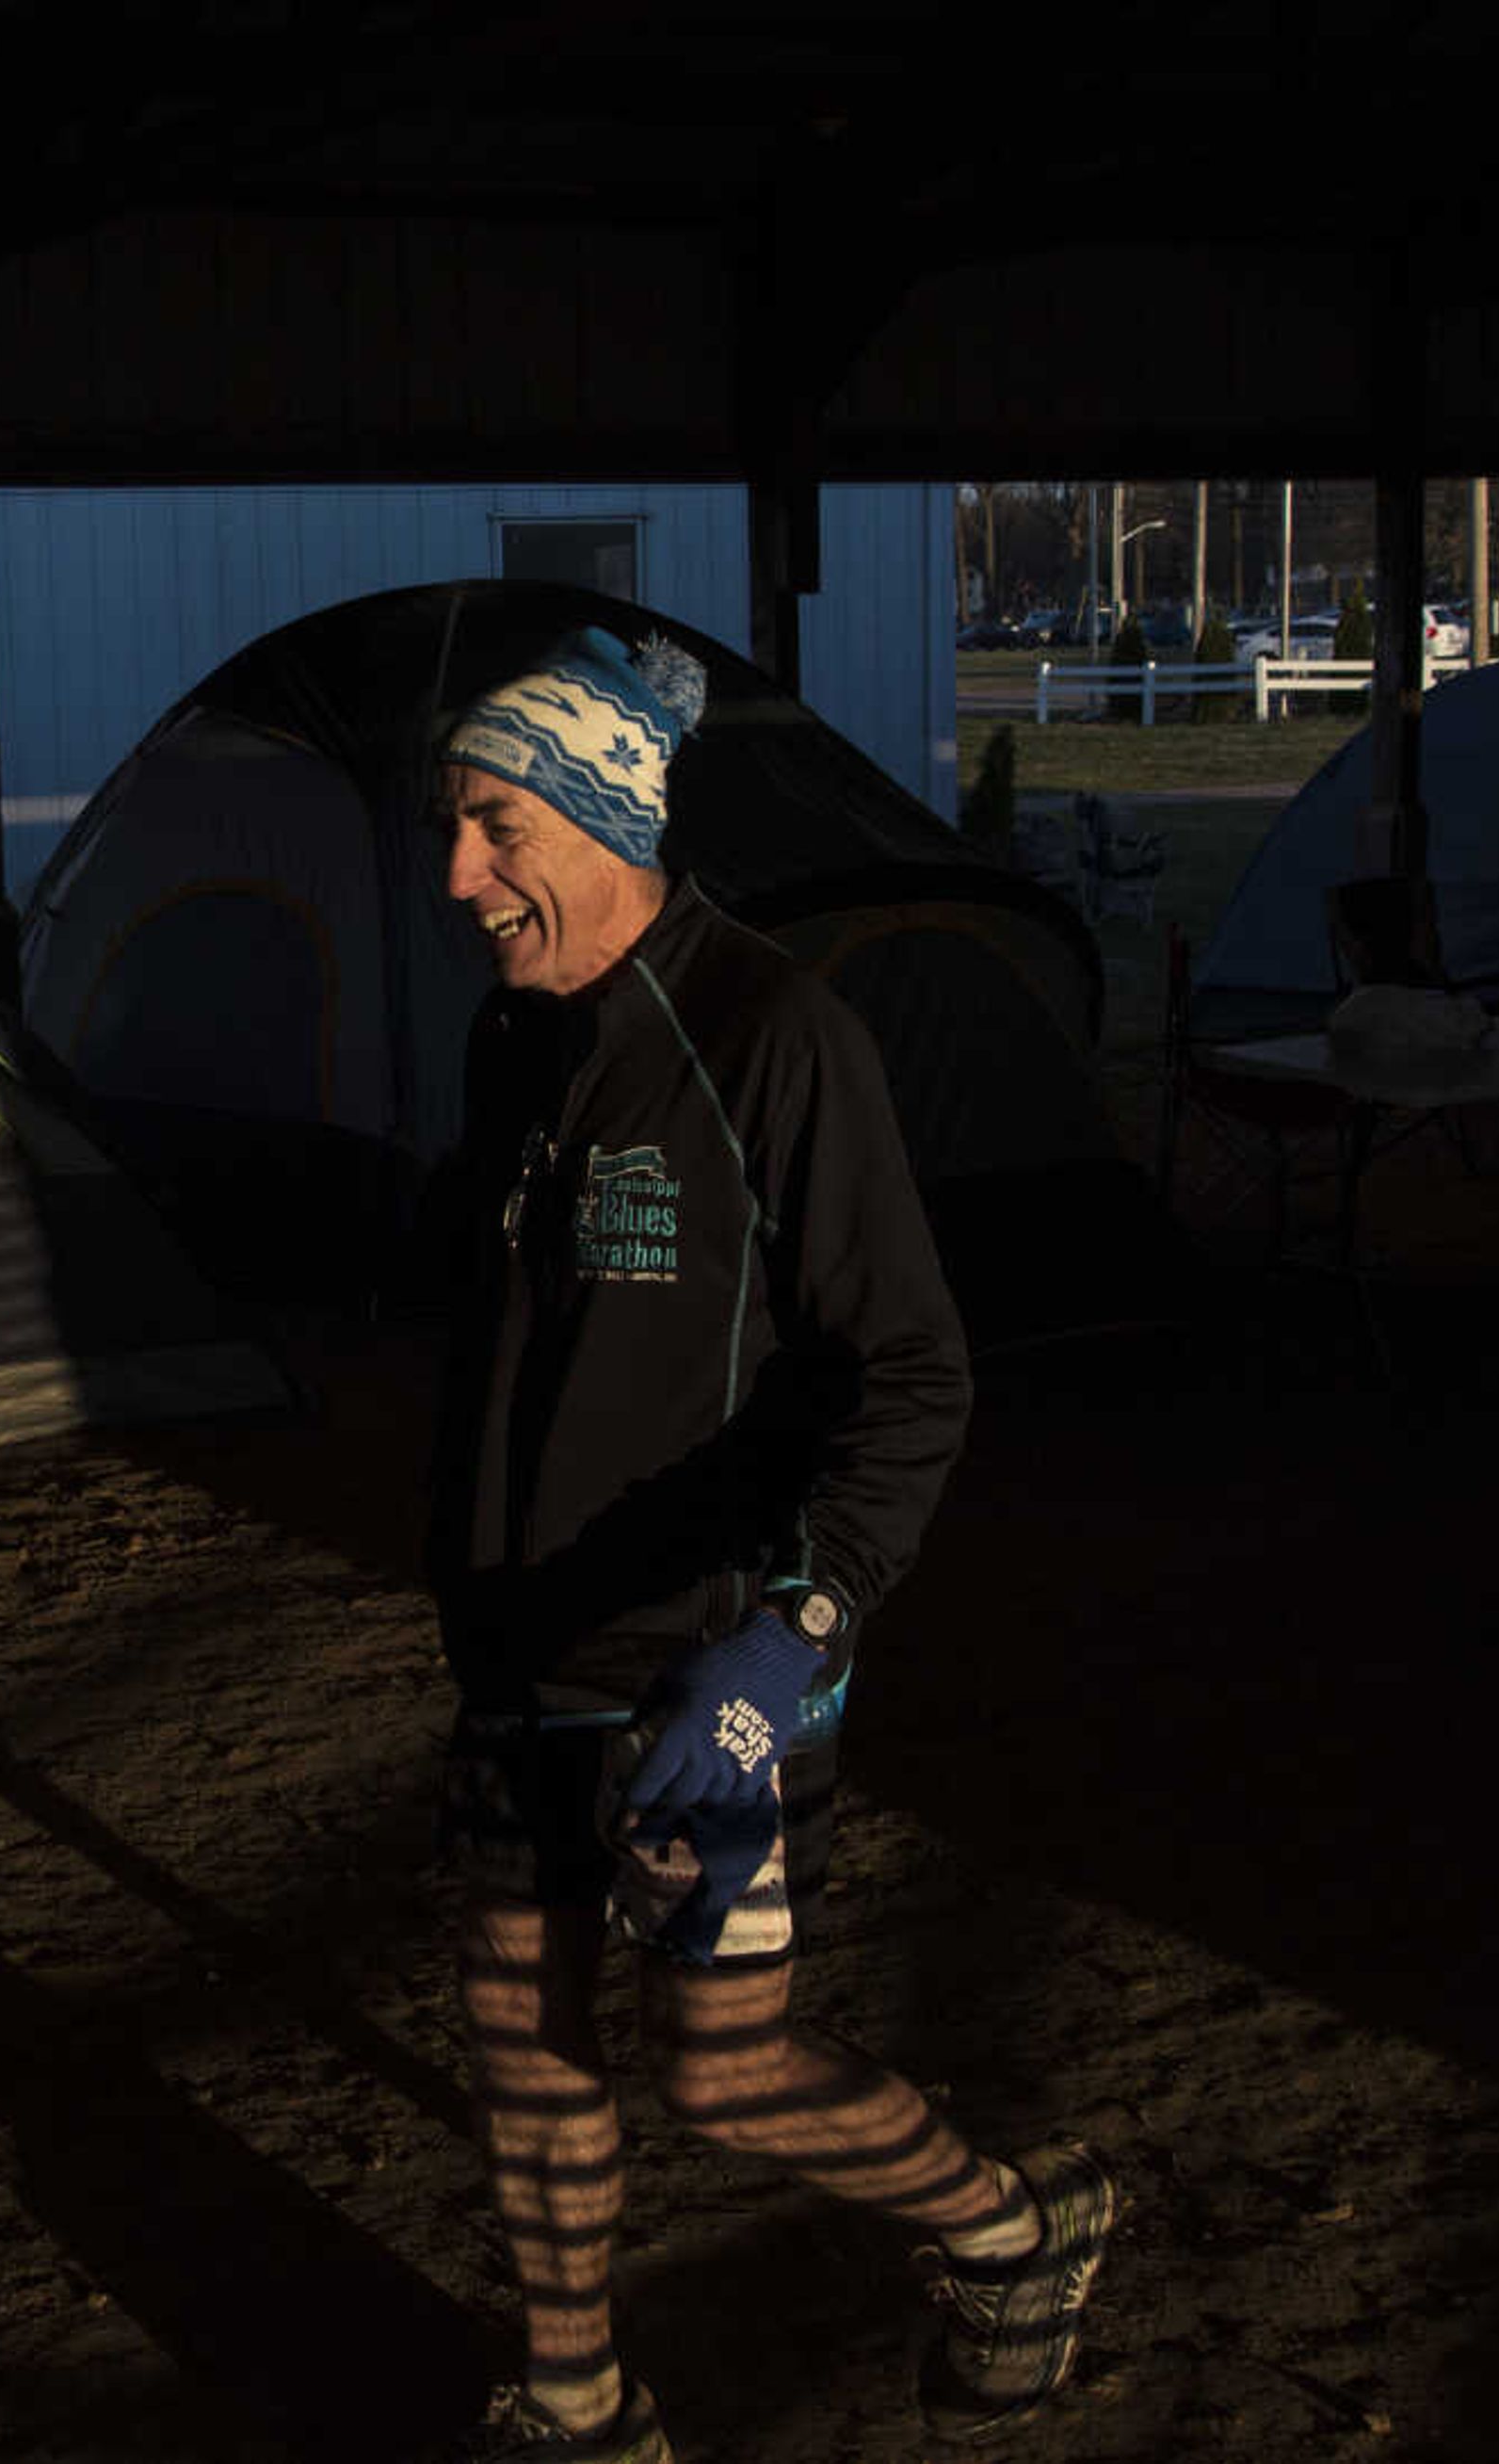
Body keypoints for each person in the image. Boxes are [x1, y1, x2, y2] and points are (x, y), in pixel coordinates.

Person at [423, 627, 1115, 2459]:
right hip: (519, 1664)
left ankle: (1007, 2229)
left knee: (719, 2072)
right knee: (523, 2033)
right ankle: (582, 2411)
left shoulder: (775, 1039)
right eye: (452, 832)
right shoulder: (513, 1035)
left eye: (493, 829)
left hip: (705, 1675)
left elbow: (912, 1376)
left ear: (598, 815)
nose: (457, 879)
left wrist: (783, 1644)